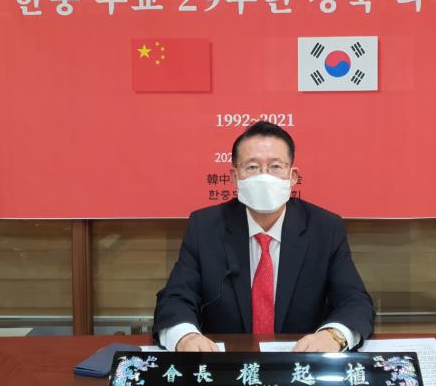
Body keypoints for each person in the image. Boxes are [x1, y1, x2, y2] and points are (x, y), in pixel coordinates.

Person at [153, 121, 375, 352]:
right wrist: (185, 337)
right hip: (226, 363)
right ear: (234, 177)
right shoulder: (205, 227)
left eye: (275, 166)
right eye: (252, 167)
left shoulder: (325, 228)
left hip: (301, 363)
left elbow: (355, 301)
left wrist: (333, 336)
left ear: (292, 176)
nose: (264, 177)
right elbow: (175, 298)